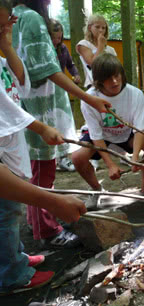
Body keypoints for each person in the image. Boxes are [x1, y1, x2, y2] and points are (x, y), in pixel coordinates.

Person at [0, 1, 86, 293]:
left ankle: (15, 257)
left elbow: (20, 85)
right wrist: (41, 127)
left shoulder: (1, 59)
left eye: (6, 24)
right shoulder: (33, 19)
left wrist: (7, 44)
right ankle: (12, 274)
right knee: (5, 214)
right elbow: (9, 109)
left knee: (9, 212)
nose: (7, 29)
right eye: (0, 27)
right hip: (11, 144)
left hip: (11, 146)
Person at [12, 0, 111, 249]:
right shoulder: (32, 19)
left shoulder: (16, 16)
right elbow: (46, 70)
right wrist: (88, 97)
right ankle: (46, 230)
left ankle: (40, 222)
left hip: (29, 104)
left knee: (39, 171)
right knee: (43, 173)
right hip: (42, 107)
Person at [71, 53, 144, 209]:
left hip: (127, 134)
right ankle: (96, 190)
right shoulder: (89, 98)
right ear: (99, 81)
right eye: (108, 78)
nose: (114, 81)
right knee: (77, 157)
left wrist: (134, 158)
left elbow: (140, 128)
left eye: (116, 76)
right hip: (101, 137)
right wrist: (111, 165)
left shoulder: (135, 94)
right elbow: (96, 135)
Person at [50, 18, 81, 172]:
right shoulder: (44, 48)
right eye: (54, 37)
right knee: (51, 122)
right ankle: (51, 158)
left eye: (59, 37)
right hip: (47, 90)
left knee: (63, 121)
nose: (57, 40)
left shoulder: (63, 49)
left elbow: (70, 65)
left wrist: (75, 75)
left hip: (60, 89)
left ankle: (63, 158)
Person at [76, 14, 117, 89]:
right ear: (89, 27)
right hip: (93, 84)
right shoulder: (83, 44)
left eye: (103, 28)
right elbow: (94, 64)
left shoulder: (111, 50)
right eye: (97, 27)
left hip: (111, 84)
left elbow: (116, 69)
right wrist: (100, 46)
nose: (101, 30)